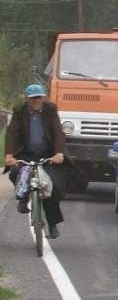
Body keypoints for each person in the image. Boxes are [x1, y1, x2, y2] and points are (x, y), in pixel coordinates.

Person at [3, 84, 70, 239]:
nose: (36, 101)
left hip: (48, 155)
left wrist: (59, 153)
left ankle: (52, 225)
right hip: (25, 155)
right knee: (15, 173)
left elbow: (58, 132)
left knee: (51, 188)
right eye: (32, 98)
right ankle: (23, 197)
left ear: (43, 97)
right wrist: (9, 155)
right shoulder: (19, 110)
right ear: (27, 99)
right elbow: (11, 133)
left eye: (38, 97)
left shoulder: (50, 109)